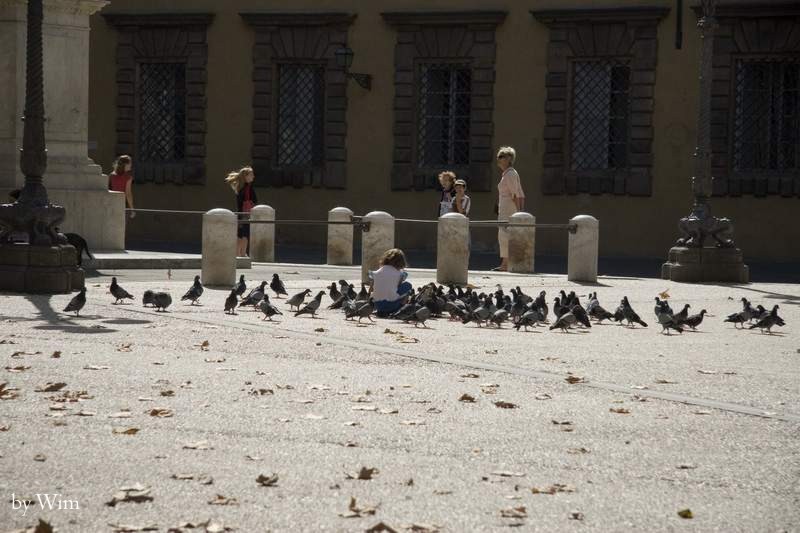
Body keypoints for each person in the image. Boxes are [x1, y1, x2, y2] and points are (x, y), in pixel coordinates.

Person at [495, 146, 525, 271]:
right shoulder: (508, 174)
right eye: (499, 156)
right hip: (505, 208)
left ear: (509, 159)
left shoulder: (510, 174)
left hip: (509, 209)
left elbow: (516, 194)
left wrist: (519, 213)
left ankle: (506, 264)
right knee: (504, 235)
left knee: (505, 235)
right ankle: (505, 262)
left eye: (502, 156)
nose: (499, 159)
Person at [370, 248, 413, 318]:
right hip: (391, 306)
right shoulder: (400, 274)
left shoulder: (376, 273)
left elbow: (371, 289)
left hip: (377, 305)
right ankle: (401, 308)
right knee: (407, 285)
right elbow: (397, 286)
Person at [225, 166, 257, 257]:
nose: (253, 176)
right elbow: (254, 200)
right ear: (246, 176)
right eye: (251, 174)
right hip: (246, 214)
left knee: (240, 234)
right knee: (245, 234)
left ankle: (238, 253)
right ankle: (242, 254)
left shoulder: (240, 187)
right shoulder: (247, 188)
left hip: (240, 213)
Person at [108, 155, 135, 219]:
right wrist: (132, 209)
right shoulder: (128, 177)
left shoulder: (111, 175)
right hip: (123, 204)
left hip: (113, 203)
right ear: (125, 164)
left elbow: (108, 189)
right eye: (130, 163)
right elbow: (128, 194)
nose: (131, 165)